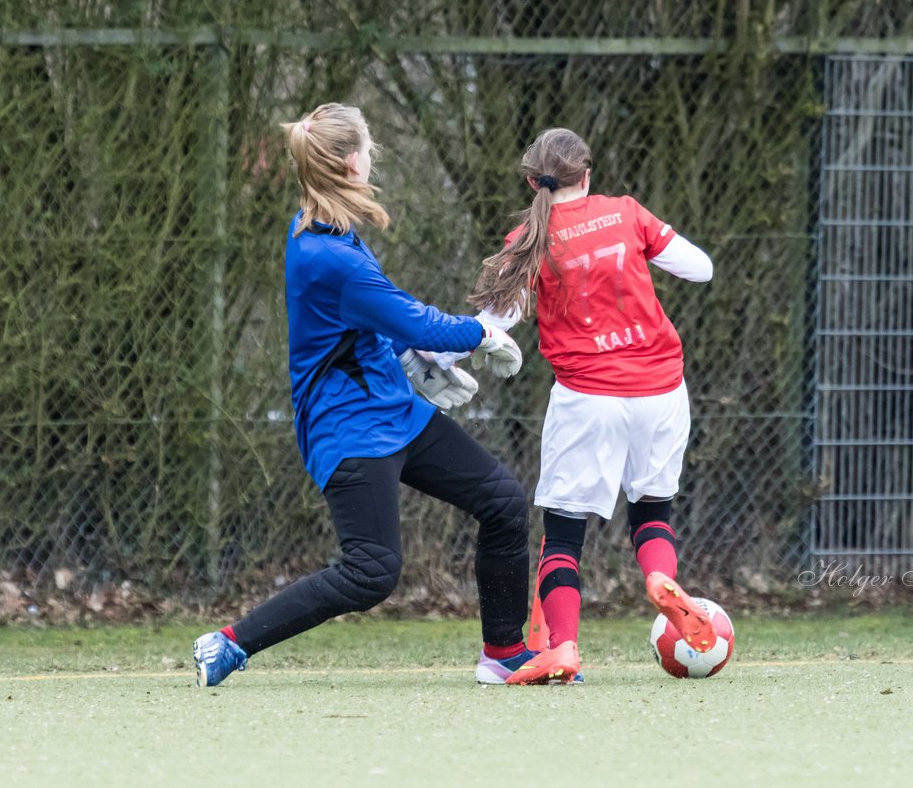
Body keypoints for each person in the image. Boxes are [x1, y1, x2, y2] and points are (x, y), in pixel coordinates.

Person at [192, 103, 540, 687]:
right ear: (352, 161)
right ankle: (228, 644)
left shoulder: (326, 228)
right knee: (372, 571)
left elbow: (369, 323)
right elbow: (417, 321)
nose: (373, 155)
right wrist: (481, 332)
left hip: (394, 412)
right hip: (347, 428)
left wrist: (408, 361)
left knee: (503, 503)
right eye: (369, 147)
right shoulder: (327, 254)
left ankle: (504, 654)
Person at [454, 127, 717, 684]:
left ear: (532, 181)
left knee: (565, 534)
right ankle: (658, 581)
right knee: (652, 512)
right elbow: (701, 268)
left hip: (588, 398)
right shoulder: (626, 212)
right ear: (587, 174)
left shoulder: (529, 239)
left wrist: (437, 354)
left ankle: (564, 647)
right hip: (663, 392)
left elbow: (491, 327)